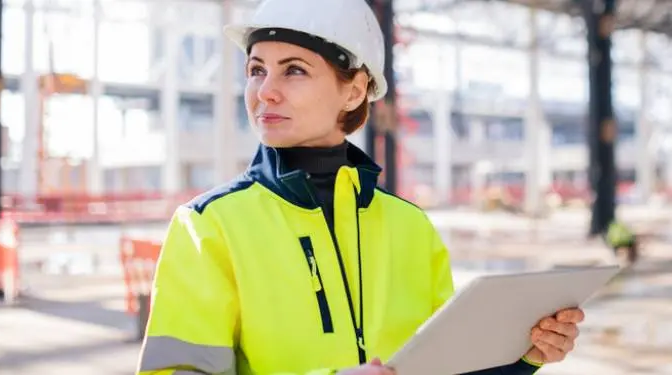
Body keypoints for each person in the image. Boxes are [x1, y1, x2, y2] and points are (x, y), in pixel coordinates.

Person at [136, 0, 583, 373]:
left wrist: (525, 356)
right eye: (256, 70)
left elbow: (446, 366)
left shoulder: (410, 226)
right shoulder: (208, 226)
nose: (264, 91)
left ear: (354, 91)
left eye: (293, 70)